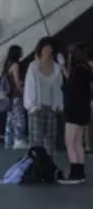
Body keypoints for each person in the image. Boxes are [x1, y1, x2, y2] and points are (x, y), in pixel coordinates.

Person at [24, 37, 64, 157]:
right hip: (38, 108)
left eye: (50, 48)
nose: (48, 50)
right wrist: (32, 107)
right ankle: (34, 167)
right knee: (36, 141)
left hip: (51, 107)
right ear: (40, 50)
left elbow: (58, 88)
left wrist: (59, 105)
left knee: (50, 141)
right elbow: (30, 87)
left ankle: (49, 168)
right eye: (45, 48)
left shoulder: (57, 68)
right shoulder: (33, 67)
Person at [59, 43, 93, 184]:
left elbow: (70, 89)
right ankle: (80, 172)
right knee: (78, 142)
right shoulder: (86, 72)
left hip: (73, 111)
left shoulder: (77, 71)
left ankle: (75, 174)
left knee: (70, 142)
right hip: (84, 111)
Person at [2, 45, 28, 150]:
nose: (22, 53)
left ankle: (9, 140)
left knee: (11, 119)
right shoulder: (15, 65)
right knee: (19, 118)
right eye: (21, 51)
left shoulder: (7, 64)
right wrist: (23, 92)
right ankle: (19, 139)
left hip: (9, 96)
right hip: (16, 95)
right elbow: (17, 81)